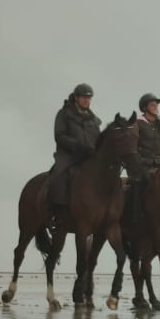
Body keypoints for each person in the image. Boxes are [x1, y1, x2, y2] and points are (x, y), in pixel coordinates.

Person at [48, 84, 99, 226]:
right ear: (76, 98)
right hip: (68, 156)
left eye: (89, 98)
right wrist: (77, 145)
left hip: (89, 156)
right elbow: (59, 135)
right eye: (83, 97)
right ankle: (56, 212)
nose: (86, 100)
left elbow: (98, 138)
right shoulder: (63, 114)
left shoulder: (93, 119)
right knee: (59, 175)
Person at [124, 93, 160, 242]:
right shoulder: (137, 123)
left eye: (156, 104)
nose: (156, 107)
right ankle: (135, 216)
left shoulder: (159, 126)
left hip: (159, 164)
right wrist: (138, 163)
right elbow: (132, 147)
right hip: (142, 164)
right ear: (144, 107)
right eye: (152, 104)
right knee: (141, 182)